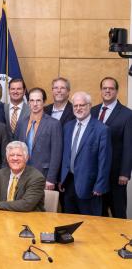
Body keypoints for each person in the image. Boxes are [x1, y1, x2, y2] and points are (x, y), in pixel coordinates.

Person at [59, 92, 112, 216]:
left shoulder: (102, 129)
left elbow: (104, 161)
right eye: (75, 106)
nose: (78, 108)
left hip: (90, 186)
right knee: (69, 222)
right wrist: (61, 179)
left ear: (89, 106)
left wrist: (100, 186)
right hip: (68, 183)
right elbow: (65, 155)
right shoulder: (67, 127)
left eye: (82, 105)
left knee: (90, 226)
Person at [91, 77, 132, 218]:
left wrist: (125, 173)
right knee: (98, 213)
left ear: (116, 91)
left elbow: (129, 145)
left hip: (116, 174)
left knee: (118, 213)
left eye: (111, 88)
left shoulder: (127, 114)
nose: (107, 90)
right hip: (96, 174)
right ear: (101, 90)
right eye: (104, 88)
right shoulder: (92, 111)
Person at [15, 88, 62, 190]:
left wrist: (51, 178)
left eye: (38, 100)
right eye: (32, 100)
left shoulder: (54, 124)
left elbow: (56, 154)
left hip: (43, 175)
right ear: (28, 102)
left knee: (41, 205)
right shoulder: (21, 123)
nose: (35, 104)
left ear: (44, 102)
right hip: (21, 173)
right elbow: (16, 148)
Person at [0, 141, 45, 212]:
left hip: (28, 219)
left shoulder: (37, 177)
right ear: (7, 158)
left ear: (26, 158)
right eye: (12, 155)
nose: (15, 158)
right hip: (2, 219)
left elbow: (26, 205)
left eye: (19, 155)